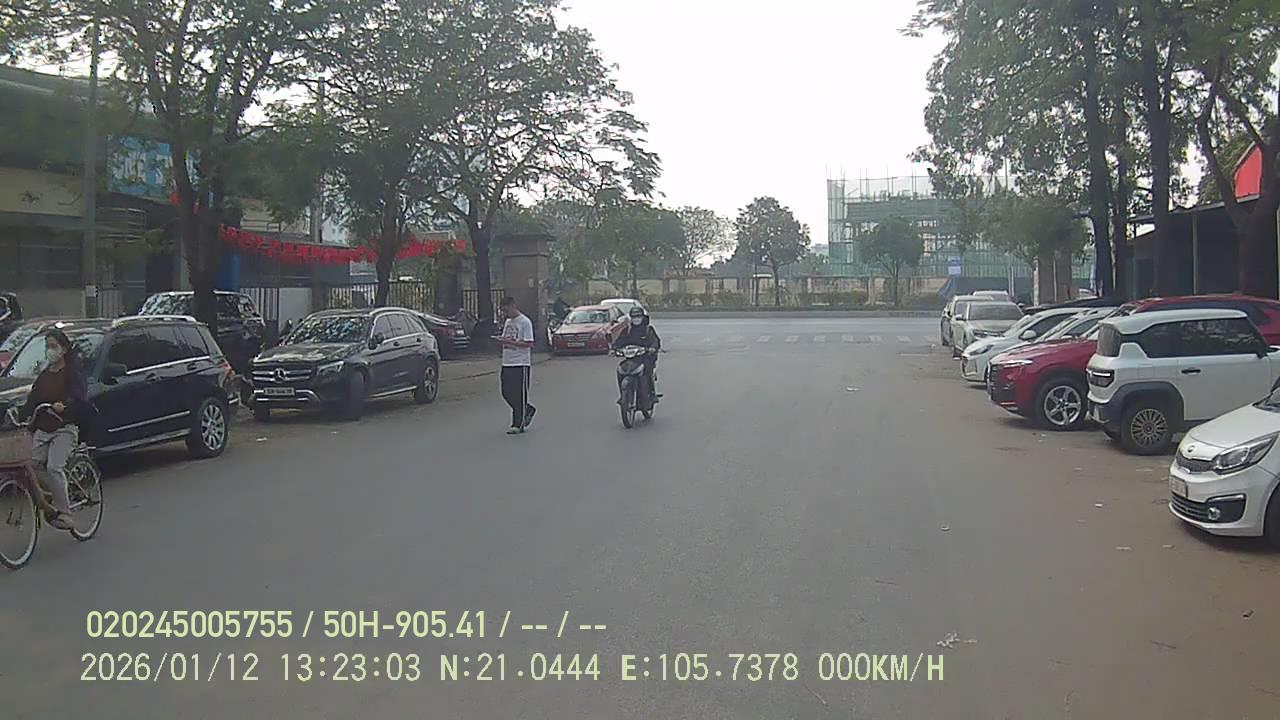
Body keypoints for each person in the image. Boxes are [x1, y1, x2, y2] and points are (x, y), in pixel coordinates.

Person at [19, 329, 87, 530]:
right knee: (32, 465)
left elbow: (79, 396)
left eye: (53, 346)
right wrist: (19, 414)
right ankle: (51, 495)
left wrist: (65, 405)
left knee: (54, 467)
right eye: (47, 346)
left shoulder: (72, 373)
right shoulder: (44, 375)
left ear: (63, 349)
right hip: (43, 428)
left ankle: (66, 513)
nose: (50, 350)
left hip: (64, 427)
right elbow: (32, 400)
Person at [496, 296, 537, 434]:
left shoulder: (525, 322)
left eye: (507, 310)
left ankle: (518, 424)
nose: (505, 313)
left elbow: (529, 343)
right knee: (506, 392)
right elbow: (506, 338)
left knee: (519, 393)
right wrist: (502, 340)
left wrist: (511, 342)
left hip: (521, 363)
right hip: (507, 362)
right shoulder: (508, 322)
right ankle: (527, 409)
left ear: (513, 306)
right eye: (503, 311)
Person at [612, 306, 661, 395]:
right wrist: (614, 348)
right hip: (630, 359)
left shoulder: (648, 329)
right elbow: (619, 341)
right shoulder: (627, 330)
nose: (636, 319)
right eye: (634, 317)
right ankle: (623, 395)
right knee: (620, 370)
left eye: (638, 316)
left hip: (646, 357)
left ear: (642, 317)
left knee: (647, 370)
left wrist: (653, 348)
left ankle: (651, 393)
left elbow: (655, 341)